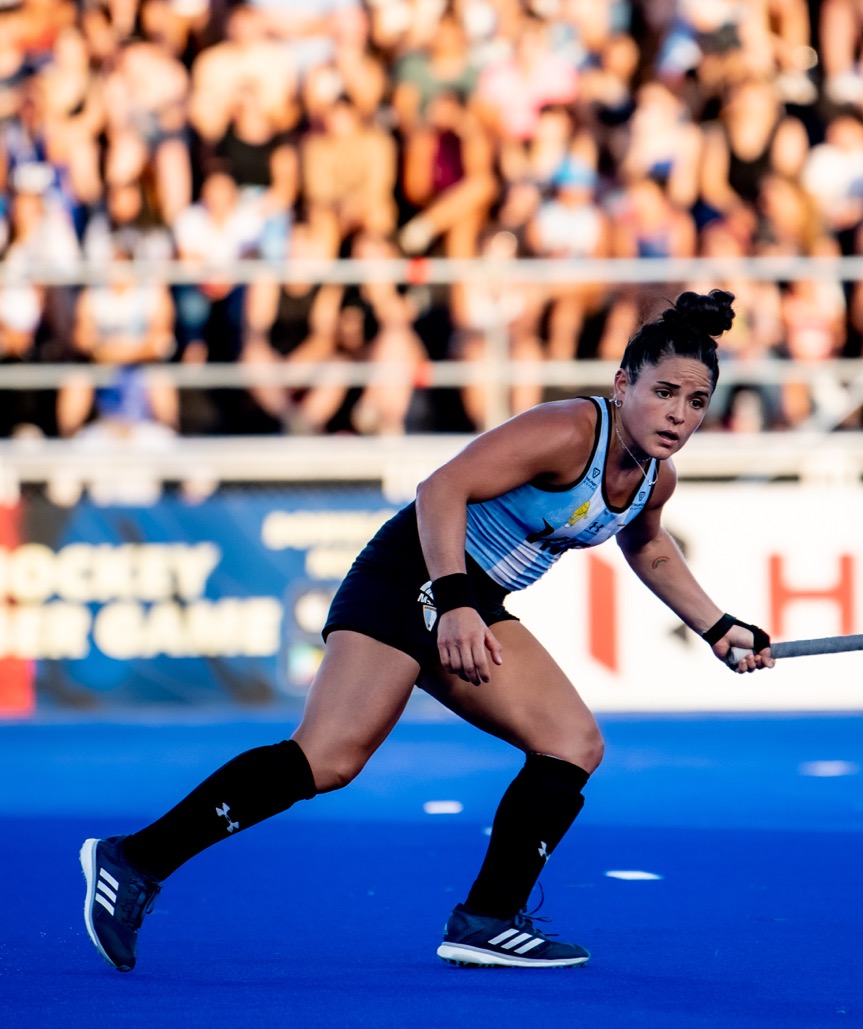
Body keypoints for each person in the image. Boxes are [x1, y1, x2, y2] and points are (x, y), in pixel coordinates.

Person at [79, 289, 775, 972]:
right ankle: (133, 859)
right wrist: (454, 602)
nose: (678, 415)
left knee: (572, 742)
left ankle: (488, 919)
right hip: (412, 571)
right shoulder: (569, 430)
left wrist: (718, 626)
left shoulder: (656, 477)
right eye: (664, 392)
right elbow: (439, 489)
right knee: (329, 758)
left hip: (470, 594)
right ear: (623, 384)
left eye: (696, 402)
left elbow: (648, 547)